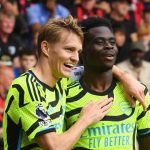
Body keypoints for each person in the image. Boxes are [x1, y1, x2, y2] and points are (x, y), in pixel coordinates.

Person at [3, 16, 146, 150]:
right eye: (69, 50)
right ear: (46, 48)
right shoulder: (26, 87)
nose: (75, 58)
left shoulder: (62, 79)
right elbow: (55, 146)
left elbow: (99, 66)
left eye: (79, 51)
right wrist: (85, 119)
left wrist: (126, 78)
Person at [65, 17, 150, 150]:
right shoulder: (64, 93)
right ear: (82, 50)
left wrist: (124, 76)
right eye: (100, 42)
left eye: (112, 42)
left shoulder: (137, 91)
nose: (109, 46)